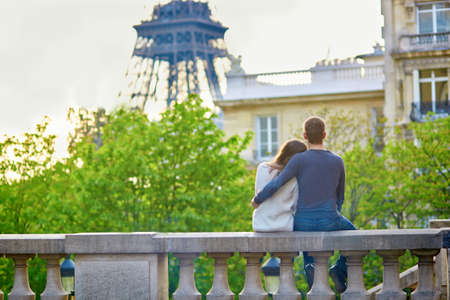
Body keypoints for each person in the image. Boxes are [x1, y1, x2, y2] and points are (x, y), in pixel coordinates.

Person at [251, 116, 355, 293]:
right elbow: (340, 197)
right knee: (355, 237)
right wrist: (332, 214)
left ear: (304, 135)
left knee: (310, 258)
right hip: (329, 218)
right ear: (325, 134)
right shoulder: (338, 161)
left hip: (302, 222)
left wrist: (257, 199)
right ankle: (338, 271)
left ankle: (313, 285)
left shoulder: (299, 160)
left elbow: (278, 183)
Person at [252, 139, 307, 232]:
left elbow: (258, 192)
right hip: (284, 225)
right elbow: (295, 206)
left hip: (260, 224)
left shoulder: (262, 168)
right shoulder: (294, 179)